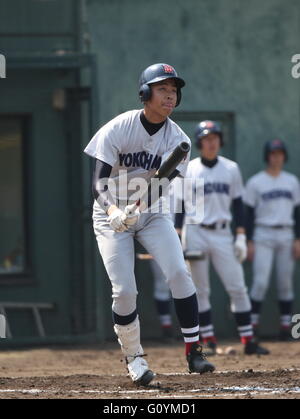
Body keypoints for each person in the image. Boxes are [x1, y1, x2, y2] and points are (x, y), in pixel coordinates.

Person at [84, 63, 215, 386]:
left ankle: (193, 351)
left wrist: (137, 205)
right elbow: (97, 183)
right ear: (145, 93)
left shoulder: (178, 139)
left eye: (174, 91)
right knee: (125, 290)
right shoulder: (119, 128)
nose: (170, 96)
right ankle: (134, 358)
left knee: (179, 272)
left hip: (152, 212)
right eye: (162, 90)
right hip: (108, 214)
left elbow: (160, 186)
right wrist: (115, 210)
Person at [176, 120, 269, 355]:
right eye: (206, 138)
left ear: (220, 141)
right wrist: (177, 234)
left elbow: (238, 204)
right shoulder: (190, 168)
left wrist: (241, 235)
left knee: (237, 286)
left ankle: (248, 340)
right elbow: (181, 205)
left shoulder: (231, 168)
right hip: (195, 230)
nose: (211, 142)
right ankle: (208, 340)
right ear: (199, 142)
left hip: (222, 231)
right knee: (200, 290)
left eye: (215, 138)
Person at [244, 139, 300, 340]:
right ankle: (252, 326)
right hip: (263, 234)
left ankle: (286, 327)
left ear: (284, 156)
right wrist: (249, 241)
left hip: (286, 233)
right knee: (260, 281)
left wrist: (298, 239)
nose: (276, 157)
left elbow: (297, 212)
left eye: (280, 153)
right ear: (267, 156)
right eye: (273, 153)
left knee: (285, 282)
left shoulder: (291, 181)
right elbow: (248, 214)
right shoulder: (256, 182)